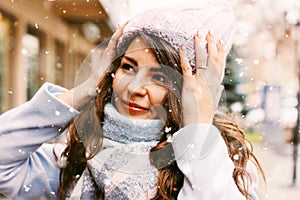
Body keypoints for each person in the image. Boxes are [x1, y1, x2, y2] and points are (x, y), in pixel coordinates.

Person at [0, 1, 264, 199]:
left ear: (193, 90)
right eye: (128, 67)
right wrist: (84, 90)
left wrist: (198, 131)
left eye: (160, 77)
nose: (135, 88)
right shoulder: (79, 156)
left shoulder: (226, 170)